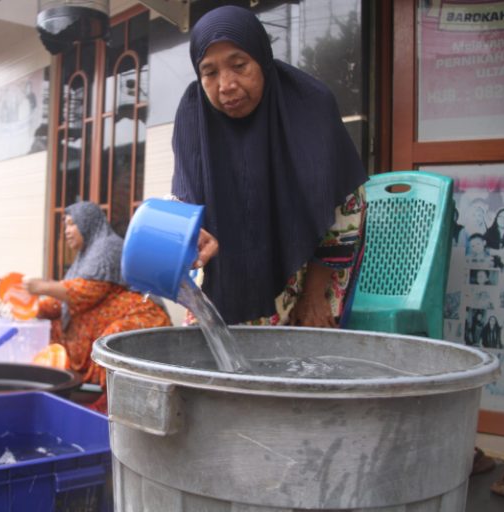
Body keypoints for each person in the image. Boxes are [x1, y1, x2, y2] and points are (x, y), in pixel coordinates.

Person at [170, 5, 368, 327]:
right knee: (213, 365)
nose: (226, 85)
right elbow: (183, 199)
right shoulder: (194, 115)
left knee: (301, 364)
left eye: (239, 65)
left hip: (309, 270)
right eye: (210, 72)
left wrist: (314, 295)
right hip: (229, 276)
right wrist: (190, 234)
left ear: (261, 58)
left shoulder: (310, 105)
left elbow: (348, 208)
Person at [24, 201, 171, 412]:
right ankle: (62, 384)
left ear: (88, 223)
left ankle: (111, 401)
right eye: (65, 226)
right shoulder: (85, 256)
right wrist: (31, 309)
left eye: (72, 224)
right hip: (107, 318)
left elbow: (85, 292)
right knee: (51, 326)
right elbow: (63, 302)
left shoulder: (108, 246)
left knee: (111, 341)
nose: (67, 231)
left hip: (140, 317)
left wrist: (42, 287)